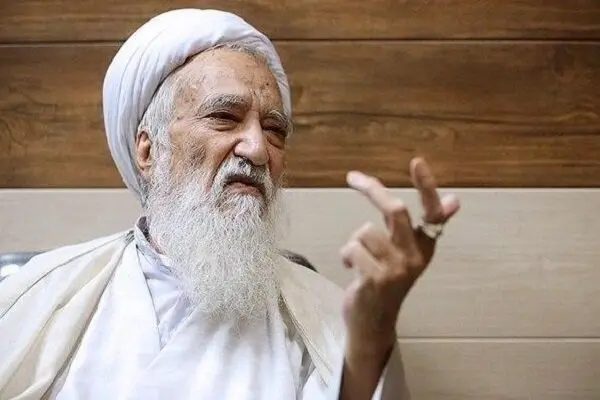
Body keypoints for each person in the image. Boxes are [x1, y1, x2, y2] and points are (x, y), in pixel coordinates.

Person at [0, 8, 460, 400]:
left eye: (274, 129)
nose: (258, 150)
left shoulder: (323, 313)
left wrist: (372, 334)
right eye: (224, 117)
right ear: (148, 149)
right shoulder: (43, 296)